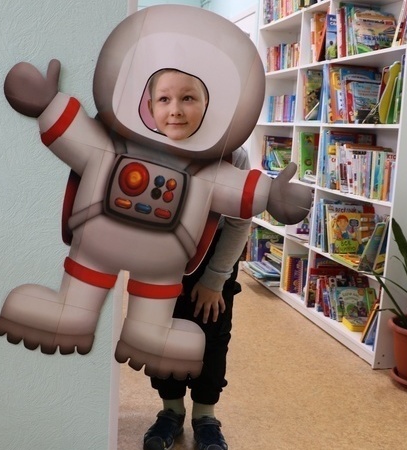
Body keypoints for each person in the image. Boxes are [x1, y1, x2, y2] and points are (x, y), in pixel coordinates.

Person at [142, 68, 251, 450]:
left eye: (188, 97)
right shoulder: (145, 150)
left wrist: (215, 279)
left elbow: (239, 222)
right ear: (150, 107)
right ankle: (170, 411)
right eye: (164, 99)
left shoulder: (233, 154)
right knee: (161, 340)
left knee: (212, 339)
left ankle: (205, 415)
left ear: (208, 103)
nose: (176, 109)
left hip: (212, 265)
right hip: (161, 266)